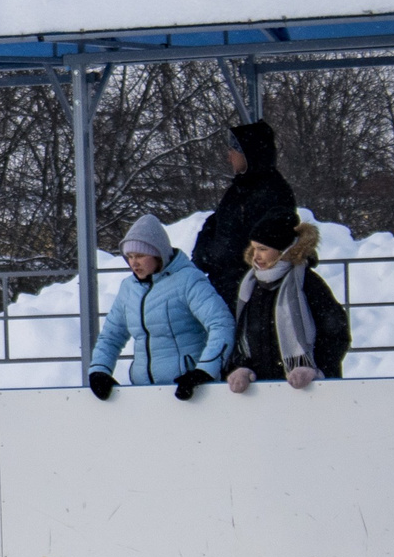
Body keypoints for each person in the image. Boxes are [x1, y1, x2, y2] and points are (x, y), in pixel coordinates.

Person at [88, 215, 234, 400]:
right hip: (144, 393)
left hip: (192, 393)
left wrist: (204, 371)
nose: (134, 262)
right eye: (130, 256)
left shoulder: (188, 280)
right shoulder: (128, 288)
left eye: (140, 255)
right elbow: (111, 336)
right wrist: (99, 371)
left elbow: (222, 324)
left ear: (158, 254)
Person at [225, 209, 350, 391]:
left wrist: (316, 370)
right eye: (254, 249)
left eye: (263, 249)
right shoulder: (250, 285)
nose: (256, 256)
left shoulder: (307, 283)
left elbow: (336, 333)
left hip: (308, 389)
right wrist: (242, 367)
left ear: (283, 250)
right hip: (262, 389)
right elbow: (244, 337)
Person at [190, 121, 300, 302]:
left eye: (233, 151)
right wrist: (204, 255)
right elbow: (215, 224)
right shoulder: (239, 189)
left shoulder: (273, 192)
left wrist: (216, 257)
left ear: (248, 153)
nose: (228, 157)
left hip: (251, 291)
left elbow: (257, 242)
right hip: (228, 288)